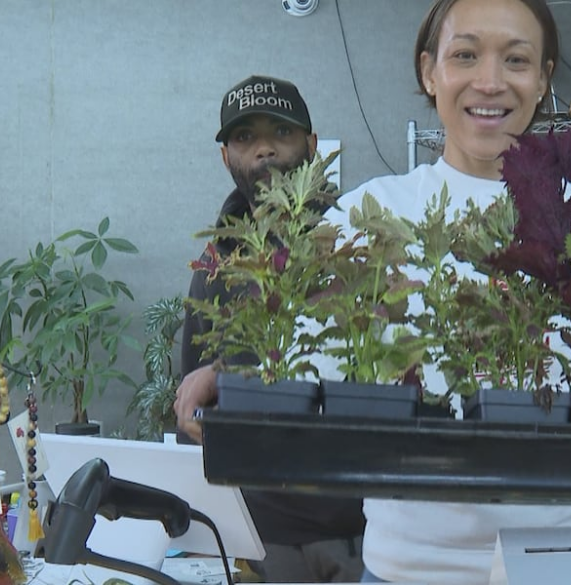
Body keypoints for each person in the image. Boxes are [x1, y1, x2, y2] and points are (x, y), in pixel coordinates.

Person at [176, 2, 571, 583]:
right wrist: (234, 373)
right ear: (429, 71)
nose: (489, 81)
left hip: (566, 561)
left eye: (516, 59)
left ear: (543, 78)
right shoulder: (367, 215)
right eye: (465, 55)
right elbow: (315, 358)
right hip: (410, 565)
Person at [179, 75, 366, 583]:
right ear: (226, 158)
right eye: (244, 138)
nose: (263, 148)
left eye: (281, 132)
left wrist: (224, 372)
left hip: (354, 527)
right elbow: (193, 385)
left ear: (310, 144)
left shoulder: (353, 235)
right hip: (258, 533)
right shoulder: (216, 257)